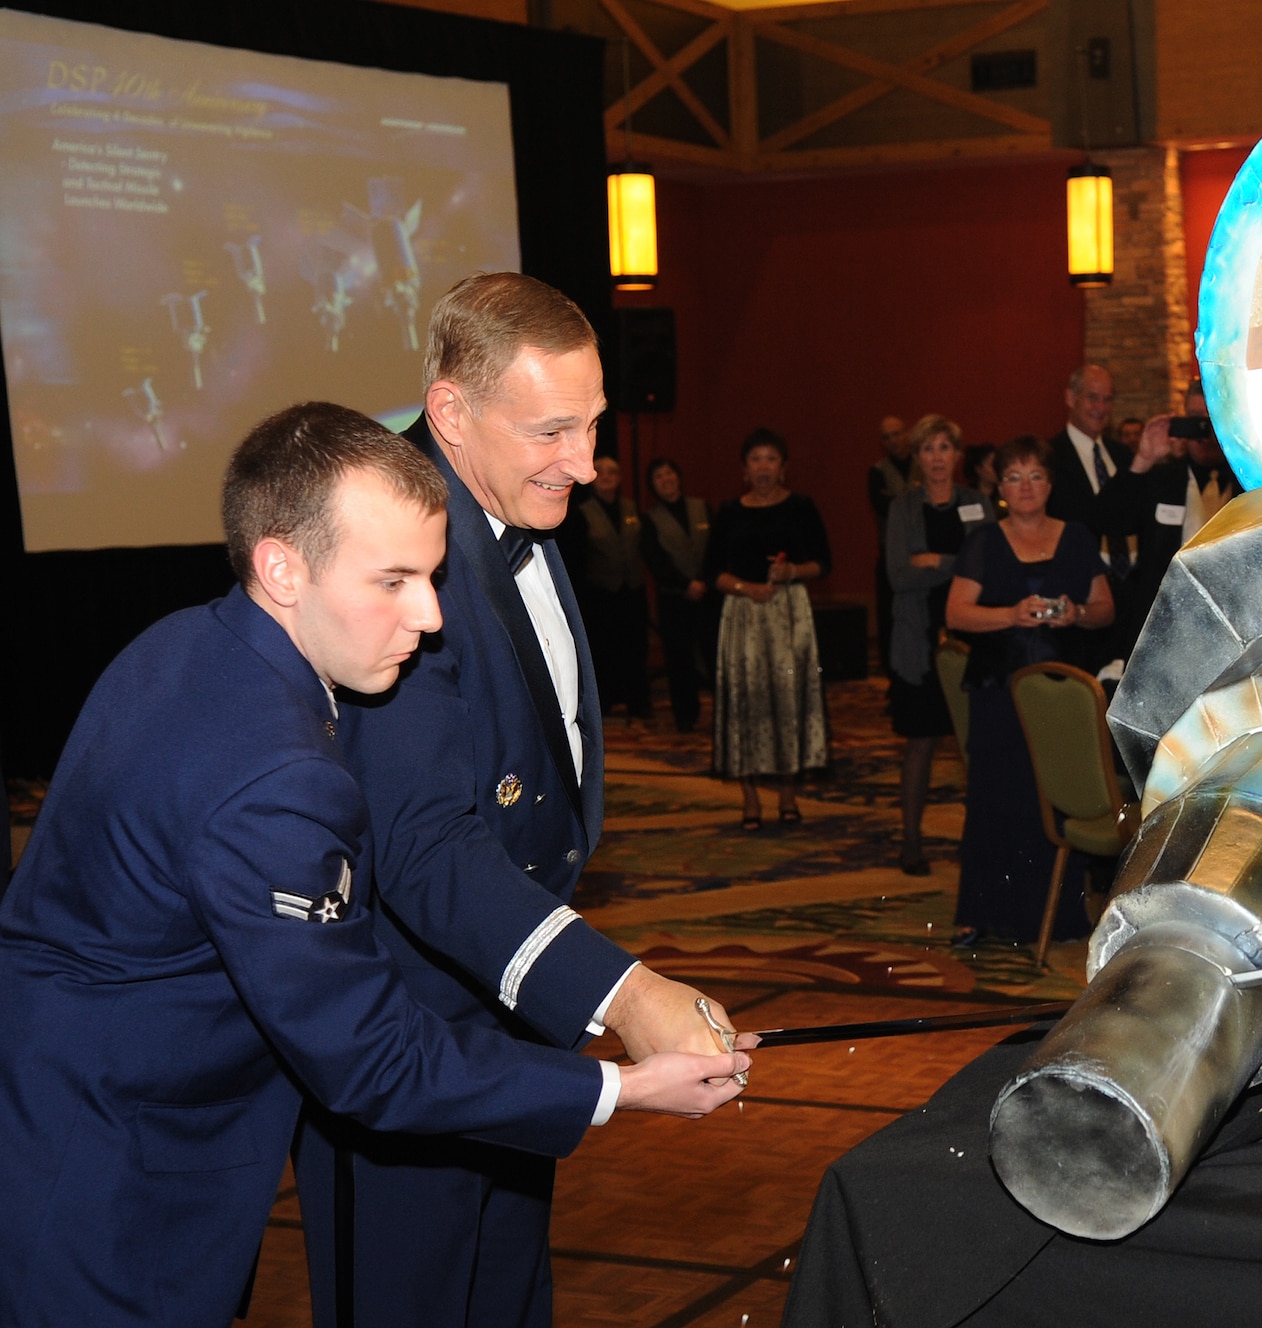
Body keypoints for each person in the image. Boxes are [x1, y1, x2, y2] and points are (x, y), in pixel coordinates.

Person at [0, 403, 751, 1327]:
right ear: (282, 566)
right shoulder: (280, 779)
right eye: (392, 581)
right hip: (111, 1174)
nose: (430, 617)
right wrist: (619, 1088)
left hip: (56, 1101)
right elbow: (370, 1059)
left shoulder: (187, 643)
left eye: (433, 577)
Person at [292, 274, 746, 1328]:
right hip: (405, 1040)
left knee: (503, 1293)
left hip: (512, 1011)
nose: (586, 464)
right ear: (450, 414)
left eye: (591, 426)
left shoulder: (511, 504)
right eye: (551, 430)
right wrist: (622, 994)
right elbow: (424, 849)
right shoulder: (388, 551)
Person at [945, 436, 1113, 945]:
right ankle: (981, 915)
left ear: (1049, 484)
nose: (1025, 487)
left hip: (1062, 695)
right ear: (999, 487)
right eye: (1014, 477)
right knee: (997, 798)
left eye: (1035, 476)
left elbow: (1105, 608)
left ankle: (1054, 916)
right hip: (1000, 690)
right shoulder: (983, 541)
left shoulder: (1077, 537)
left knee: (1055, 796)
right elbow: (956, 613)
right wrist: (1010, 615)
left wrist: (1076, 613)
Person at [705, 427, 833, 830]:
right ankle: (750, 798)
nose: (763, 467)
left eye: (771, 459)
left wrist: (791, 570)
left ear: (784, 468)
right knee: (745, 701)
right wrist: (747, 588)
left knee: (788, 700)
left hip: (789, 614)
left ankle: (789, 794)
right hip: (742, 615)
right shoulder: (728, 512)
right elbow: (712, 573)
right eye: (755, 460)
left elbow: (823, 563)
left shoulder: (801, 507)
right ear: (744, 469)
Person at [884, 414, 996, 875]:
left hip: (971, 638)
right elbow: (899, 575)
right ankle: (910, 841)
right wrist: (959, 565)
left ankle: (982, 842)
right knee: (922, 745)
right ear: (917, 458)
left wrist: (936, 560)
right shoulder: (903, 508)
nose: (936, 458)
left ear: (957, 455)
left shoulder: (978, 503)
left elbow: (988, 568)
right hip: (918, 638)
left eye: (944, 449)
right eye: (927, 449)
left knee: (978, 746)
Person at [1044, 365, 1169, 670]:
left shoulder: (1124, 456)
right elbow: (1089, 518)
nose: (1101, 408)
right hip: (1079, 602)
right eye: (1092, 398)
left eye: (1107, 400)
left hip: (1130, 600)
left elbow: (1135, 520)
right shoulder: (1050, 457)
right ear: (1070, 398)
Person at [1115, 390, 1241, 659]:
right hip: (1159, 628)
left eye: (1212, 418)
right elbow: (1112, 521)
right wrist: (1143, 459)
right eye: (1196, 420)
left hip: (1229, 629)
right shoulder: (1161, 480)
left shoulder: (1247, 484)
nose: (1204, 430)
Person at [563, 452, 653, 724]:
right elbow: (578, 557)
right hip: (601, 594)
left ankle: (638, 703)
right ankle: (606, 704)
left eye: (613, 473)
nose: (607, 478)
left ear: (620, 478)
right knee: (604, 650)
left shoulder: (631, 508)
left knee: (636, 649)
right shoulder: (581, 511)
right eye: (601, 472)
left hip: (633, 592)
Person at [639, 456, 711, 733]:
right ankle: (685, 715)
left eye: (669, 473)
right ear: (653, 486)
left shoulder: (702, 507)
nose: (666, 480)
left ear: (679, 477)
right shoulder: (650, 520)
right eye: (659, 477)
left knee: (714, 655)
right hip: (674, 599)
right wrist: (686, 585)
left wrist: (703, 582)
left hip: (708, 596)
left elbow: (715, 550)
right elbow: (656, 561)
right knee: (679, 660)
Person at [868, 415, 911, 674]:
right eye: (887, 436)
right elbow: (883, 507)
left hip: (923, 553)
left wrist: (897, 500)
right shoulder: (877, 472)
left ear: (907, 433)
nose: (893, 440)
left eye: (897, 433)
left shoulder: (923, 463)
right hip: (891, 555)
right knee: (889, 619)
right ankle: (890, 674)